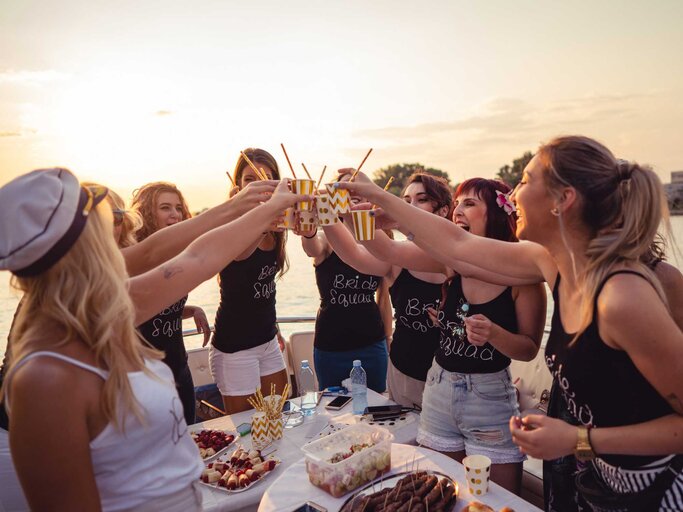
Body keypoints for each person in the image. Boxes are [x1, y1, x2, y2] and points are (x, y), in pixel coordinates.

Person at [337, 136, 683, 510]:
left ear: (562, 200)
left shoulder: (622, 297)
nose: (513, 193)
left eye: (525, 179)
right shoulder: (551, 264)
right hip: (598, 482)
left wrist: (579, 440)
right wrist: (386, 205)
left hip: (654, 492)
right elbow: (456, 244)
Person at [0, 167, 306, 511]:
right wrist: (262, 209)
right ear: (83, 246)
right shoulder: (45, 378)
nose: (119, 227)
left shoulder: (102, 309)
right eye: (106, 218)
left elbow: (192, 257)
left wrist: (252, 207)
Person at [338, 174, 545, 493]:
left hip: (489, 400)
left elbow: (529, 349)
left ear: (498, 212)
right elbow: (386, 249)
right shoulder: (450, 264)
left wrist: (495, 334)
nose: (458, 210)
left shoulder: (524, 276)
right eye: (458, 203)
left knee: (497, 500)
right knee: (441, 496)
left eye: (470, 203)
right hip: (440, 391)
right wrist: (355, 218)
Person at [319, 171, 453, 405]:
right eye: (406, 201)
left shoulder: (459, 258)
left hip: (455, 377)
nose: (410, 207)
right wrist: (327, 210)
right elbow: (354, 254)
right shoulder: (397, 257)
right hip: (405, 374)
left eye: (421, 200)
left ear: (444, 210)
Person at [209, 148, 289, 414]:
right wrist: (264, 222)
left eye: (268, 177)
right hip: (235, 347)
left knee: (278, 416)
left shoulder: (277, 225)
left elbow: (266, 287)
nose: (261, 184)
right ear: (238, 186)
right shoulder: (231, 223)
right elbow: (240, 254)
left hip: (267, 340)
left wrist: (275, 327)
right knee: (247, 430)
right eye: (250, 179)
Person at [294, 172, 391, 393]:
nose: (351, 194)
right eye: (344, 189)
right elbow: (313, 249)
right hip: (331, 347)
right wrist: (308, 234)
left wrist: (387, 339)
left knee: (375, 410)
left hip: (372, 344)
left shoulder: (382, 241)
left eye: (356, 188)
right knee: (332, 412)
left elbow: (383, 299)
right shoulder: (328, 239)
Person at [131, 182, 210, 425]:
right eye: (165, 207)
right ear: (145, 213)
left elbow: (159, 303)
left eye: (178, 207)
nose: (174, 214)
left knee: (190, 439)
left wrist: (191, 310)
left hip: (179, 368)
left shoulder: (176, 257)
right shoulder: (134, 259)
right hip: (146, 377)